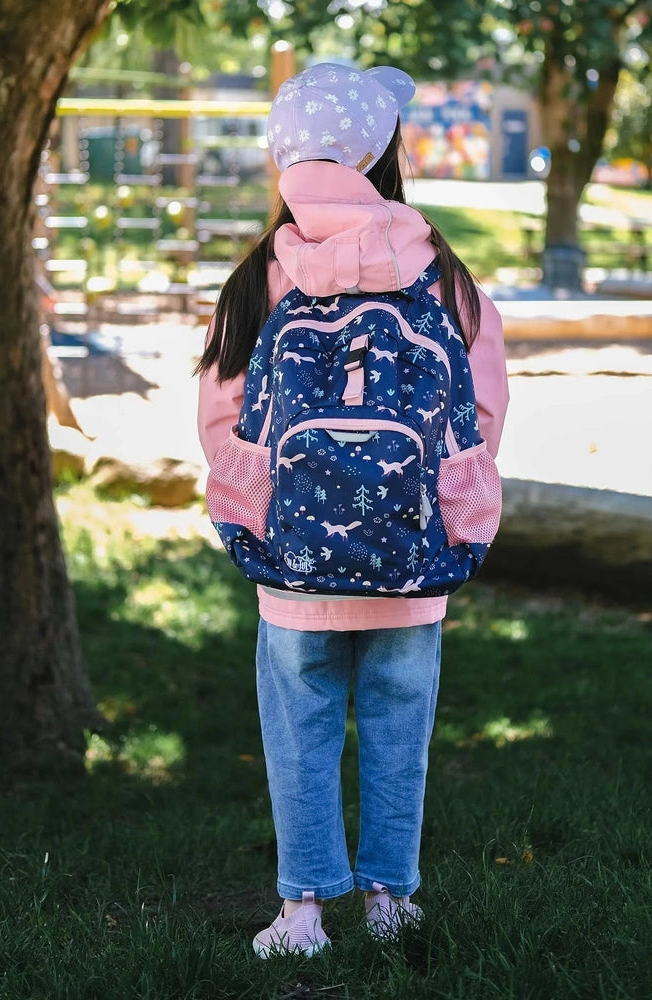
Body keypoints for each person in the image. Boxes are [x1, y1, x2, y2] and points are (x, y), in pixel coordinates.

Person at [196, 61, 510, 958]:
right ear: (381, 154)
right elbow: (482, 411)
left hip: (293, 564)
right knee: (399, 717)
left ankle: (302, 909)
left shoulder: (260, 276)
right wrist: (448, 506)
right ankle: (388, 898)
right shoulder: (441, 271)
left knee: (299, 723)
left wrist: (251, 514)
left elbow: (222, 416)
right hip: (415, 560)